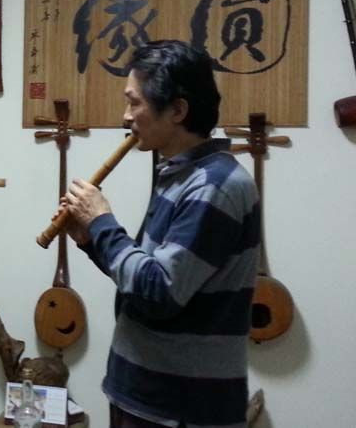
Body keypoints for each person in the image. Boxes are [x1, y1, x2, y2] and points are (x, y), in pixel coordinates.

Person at [60, 40, 260, 428]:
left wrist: (101, 221)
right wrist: (89, 239)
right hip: (144, 395)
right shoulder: (179, 174)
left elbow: (160, 292)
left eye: (134, 103)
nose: (126, 116)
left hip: (179, 408)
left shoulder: (215, 186)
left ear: (178, 111)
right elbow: (142, 278)